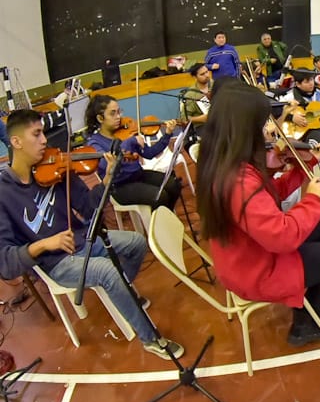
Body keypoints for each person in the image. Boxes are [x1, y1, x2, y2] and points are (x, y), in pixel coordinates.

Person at [196, 81, 320, 347]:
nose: (269, 130)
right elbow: (282, 237)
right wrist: (311, 197)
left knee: (319, 224)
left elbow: (269, 195)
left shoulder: (226, 163)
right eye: (263, 124)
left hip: (247, 251)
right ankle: (304, 324)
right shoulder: (239, 182)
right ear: (245, 129)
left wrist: (303, 166)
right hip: (256, 268)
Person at [0, 109, 184, 359]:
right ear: (16, 142)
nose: (45, 140)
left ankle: (123, 291)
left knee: (137, 242)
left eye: (43, 132)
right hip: (55, 262)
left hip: (81, 239)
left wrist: (107, 177)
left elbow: (88, 207)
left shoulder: (57, 168)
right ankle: (151, 339)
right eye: (37, 134)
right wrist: (43, 244)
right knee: (108, 271)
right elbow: (6, 262)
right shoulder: (4, 193)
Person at [85, 95, 182, 210]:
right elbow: (108, 164)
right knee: (160, 197)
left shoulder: (127, 132)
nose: (118, 117)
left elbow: (149, 153)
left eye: (119, 112)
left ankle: (166, 215)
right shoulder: (94, 143)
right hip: (119, 186)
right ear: (100, 119)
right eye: (112, 113)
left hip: (138, 175)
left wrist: (167, 134)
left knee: (174, 185)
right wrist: (131, 141)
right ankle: (157, 223)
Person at [181, 62, 213, 138]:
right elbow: (184, 119)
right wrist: (201, 119)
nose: (207, 75)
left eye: (207, 72)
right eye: (202, 74)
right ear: (195, 77)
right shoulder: (191, 95)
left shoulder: (214, 84)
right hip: (203, 126)